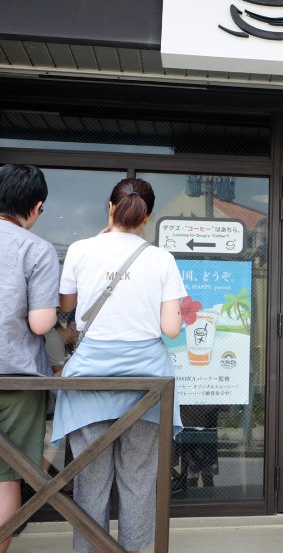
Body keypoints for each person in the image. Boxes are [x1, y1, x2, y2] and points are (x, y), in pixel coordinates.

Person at [52, 178, 186, 553]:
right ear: (148, 217)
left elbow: (66, 307)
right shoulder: (162, 259)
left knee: (89, 481)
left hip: (90, 379)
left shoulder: (80, 250)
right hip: (147, 383)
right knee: (139, 480)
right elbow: (171, 328)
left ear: (109, 209)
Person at [0, 164, 59, 553]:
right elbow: (40, 324)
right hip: (16, 378)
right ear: (36, 207)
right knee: (8, 477)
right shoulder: (36, 249)